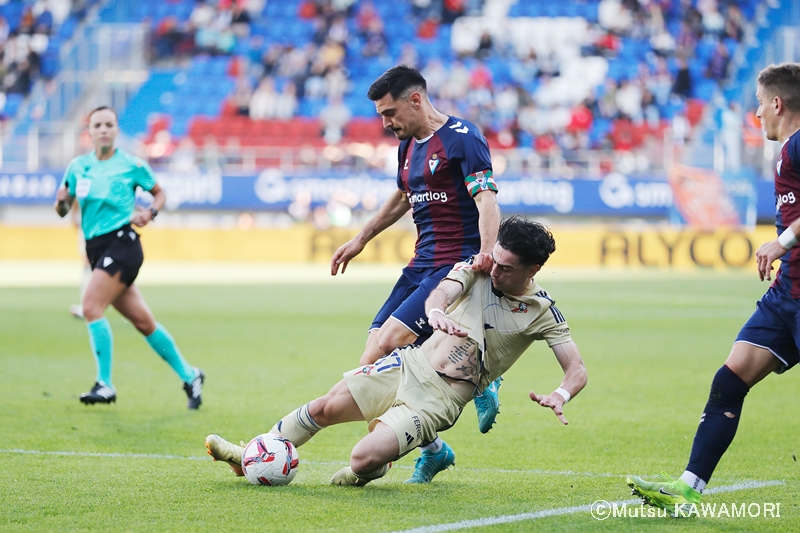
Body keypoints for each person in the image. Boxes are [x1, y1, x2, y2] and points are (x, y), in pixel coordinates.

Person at [206, 216, 588, 486]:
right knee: (322, 408)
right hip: (408, 365)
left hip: (438, 402)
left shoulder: (543, 312)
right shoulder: (480, 269)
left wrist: (560, 393)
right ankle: (252, 454)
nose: (496, 270)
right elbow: (444, 291)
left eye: (506, 267)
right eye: (496, 258)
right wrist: (436, 310)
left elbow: (577, 369)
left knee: (363, 459)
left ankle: (363, 474)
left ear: (532, 269)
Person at [627, 63, 800, 516]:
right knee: (730, 379)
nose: (756, 113)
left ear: (777, 103)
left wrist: (780, 242)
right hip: (787, 297)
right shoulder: (786, 151)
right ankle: (688, 488)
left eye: (760, 104)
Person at [329, 65, 502, 483]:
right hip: (419, 264)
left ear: (416, 99)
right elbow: (403, 196)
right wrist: (361, 238)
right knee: (372, 355)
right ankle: (435, 448)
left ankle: (476, 374)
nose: (385, 123)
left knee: (386, 346)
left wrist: (484, 255)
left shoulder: (464, 139)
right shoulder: (408, 145)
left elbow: (487, 200)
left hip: (453, 265)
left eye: (389, 113)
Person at [54, 106, 205, 409]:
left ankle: (105, 384)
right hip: (97, 249)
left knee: (91, 306)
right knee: (142, 321)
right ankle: (191, 375)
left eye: (109, 124)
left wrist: (150, 211)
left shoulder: (131, 165)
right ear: (90, 131)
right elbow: (63, 208)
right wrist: (60, 203)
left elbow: (159, 193)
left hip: (123, 244)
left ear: (116, 130)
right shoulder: (78, 166)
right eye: (98, 125)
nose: (104, 129)